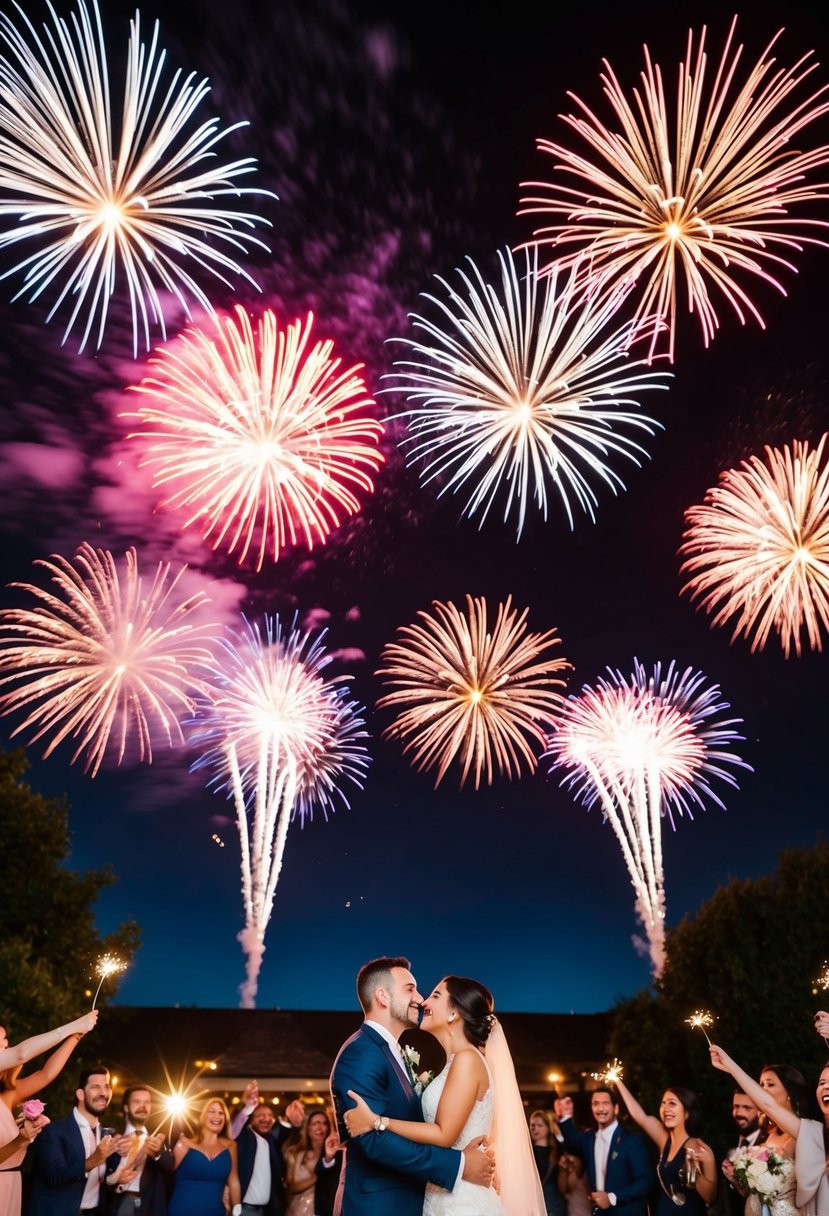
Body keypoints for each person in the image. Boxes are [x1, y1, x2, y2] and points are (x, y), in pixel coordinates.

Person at [343, 972, 545, 1215]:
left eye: (435, 995)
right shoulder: (454, 1063)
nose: (423, 1002)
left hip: (462, 1201)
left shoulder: (467, 1059)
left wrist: (378, 1121)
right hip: (444, 1192)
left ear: (453, 1013)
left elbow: (444, 1134)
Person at [329, 956, 494, 1216]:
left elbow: (426, 1128)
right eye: (410, 989)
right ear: (383, 997)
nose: (420, 998)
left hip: (422, 1200)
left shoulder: (394, 1053)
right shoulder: (361, 1052)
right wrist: (459, 1163)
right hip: (379, 1206)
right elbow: (373, 1142)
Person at [710, 1044, 829, 1216]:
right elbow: (768, 1104)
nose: (825, 1087)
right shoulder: (813, 1132)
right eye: (822, 1082)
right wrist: (730, 1066)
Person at [0, 1016, 93, 1216]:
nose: (4, 1043)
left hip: (12, 1185)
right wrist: (73, 1026)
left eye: (5, 1038)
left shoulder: (7, 1095)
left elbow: (46, 1074)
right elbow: (21, 1054)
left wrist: (76, 1035)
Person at [26, 1064, 130, 1216]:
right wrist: (95, 1159)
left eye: (107, 1087)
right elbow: (55, 1176)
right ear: (80, 1094)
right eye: (96, 1087)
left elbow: (105, 1181)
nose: (103, 1093)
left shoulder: (107, 1135)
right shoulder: (53, 1132)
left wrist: (120, 1167)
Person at [610, 1076, 717, 1216]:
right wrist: (617, 1080)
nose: (665, 1108)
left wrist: (695, 1174)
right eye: (663, 1103)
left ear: (687, 1113)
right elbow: (639, 1116)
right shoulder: (664, 1139)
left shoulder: (697, 1147)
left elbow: (710, 1198)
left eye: (672, 1103)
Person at [557, 1087, 652, 1216]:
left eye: (605, 1103)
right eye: (596, 1104)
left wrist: (612, 1198)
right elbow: (572, 1142)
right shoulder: (589, 1138)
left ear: (616, 1108)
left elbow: (644, 1182)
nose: (600, 1109)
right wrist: (566, 1115)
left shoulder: (631, 1140)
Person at [230, 1082, 305, 1216]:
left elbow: (281, 1132)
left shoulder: (269, 1141)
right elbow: (236, 1126)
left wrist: (291, 1118)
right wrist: (248, 1106)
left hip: (268, 1210)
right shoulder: (245, 1137)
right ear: (251, 1119)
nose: (266, 1119)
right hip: (245, 1210)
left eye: (270, 1115)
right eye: (261, 1115)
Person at [105, 1085, 174, 1215]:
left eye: (147, 1102)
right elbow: (101, 1177)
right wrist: (115, 1180)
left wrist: (158, 1153)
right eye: (137, 1102)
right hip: (121, 1202)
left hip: (150, 1206)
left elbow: (169, 1168)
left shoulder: (158, 1139)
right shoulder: (113, 1138)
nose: (143, 1106)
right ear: (126, 1107)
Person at [168, 1098, 241, 1216]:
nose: (217, 1116)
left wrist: (237, 1212)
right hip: (182, 1210)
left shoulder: (231, 1146)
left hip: (216, 1212)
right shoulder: (184, 1143)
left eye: (221, 1113)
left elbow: (234, 1181)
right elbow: (166, 1174)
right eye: (212, 1111)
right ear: (201, 1116)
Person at [721, 1090, 763, 1216]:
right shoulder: (724, 1139)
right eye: (736, 1107)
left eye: (747, 1108)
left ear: (760, 1111)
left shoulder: (767, 1145)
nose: (738, 1113)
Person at [283, 1110, 331, 1216]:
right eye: (315, 1123)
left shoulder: (334, 1155)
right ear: (307, 1128)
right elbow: (290, 1187)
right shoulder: (294, 1154)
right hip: (297, 1210)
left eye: (324, 1123)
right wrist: (317, 1176)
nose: (320, 1127)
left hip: (325, 1210)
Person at [529, 1110, 566, 1216]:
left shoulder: (557, 1151)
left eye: (540, 1125)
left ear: (548, 1128)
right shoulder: (527, 1152)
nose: (535, 1128)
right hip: (534, 1203)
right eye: (532, 1125)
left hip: (554, 1204)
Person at [556, 1150, 592, 1216]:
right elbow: (563, 1189)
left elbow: (571, 1185)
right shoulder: (567, 1168)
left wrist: (574, 1167)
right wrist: (563, 1170)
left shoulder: (587, 1173)